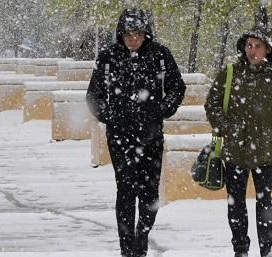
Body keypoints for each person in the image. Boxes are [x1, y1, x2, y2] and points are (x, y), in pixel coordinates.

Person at [85, 8, 186, 257]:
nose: (133, 39)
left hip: (151, 135)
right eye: (128, 34)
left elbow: (177, 87)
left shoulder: (160, 55)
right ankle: (127, 246)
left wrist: (161, 110)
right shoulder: (108, 57)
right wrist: (110, 117)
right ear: (121, 34)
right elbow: (94, 95)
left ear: (146, 34)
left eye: (138, 34)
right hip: (120, 136)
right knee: (126, 190)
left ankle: (142, 234)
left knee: (150, 192)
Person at [204, 22, 272, 257]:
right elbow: (212, 104)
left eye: (257, 46)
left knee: (264, 202)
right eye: (249, 45)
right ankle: (240, 249)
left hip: (263, 152)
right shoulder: (230, 73)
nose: (252, 50)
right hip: (235, 151)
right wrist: (224, 128)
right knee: (236, 203)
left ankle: (268, 250)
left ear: (267, 50)